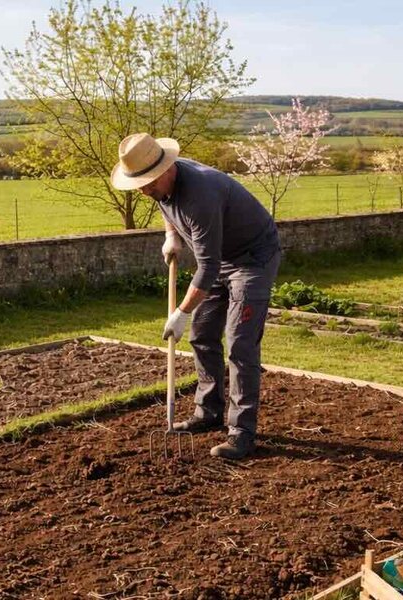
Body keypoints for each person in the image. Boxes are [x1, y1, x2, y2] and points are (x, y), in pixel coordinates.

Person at [110, 133, 281, 459]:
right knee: (202, 335)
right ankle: (209, 411)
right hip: (220, 259)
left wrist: (182, 312)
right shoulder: (162, 184)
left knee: (240, 344)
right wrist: (171, 235)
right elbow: (164, 205)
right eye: (140, 185)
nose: (145, 192)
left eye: (147, 184)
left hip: (252, 259)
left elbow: (207, 267)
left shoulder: (200, 194)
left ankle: (242, 434)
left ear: (166, 169)